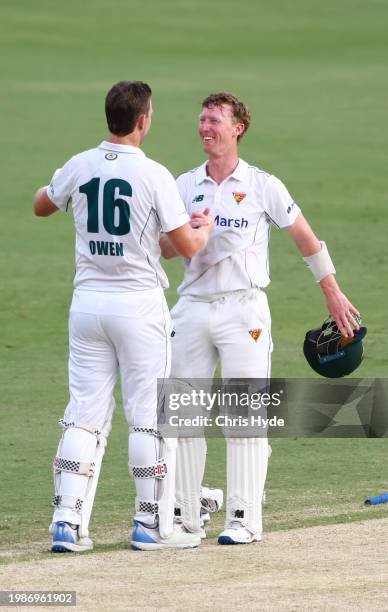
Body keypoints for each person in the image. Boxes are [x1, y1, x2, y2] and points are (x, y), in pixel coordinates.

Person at [160, 92, 360, 544]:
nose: (205, 127)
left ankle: (244, 519)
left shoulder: (263, 184)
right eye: (202, 119)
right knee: (183, 417)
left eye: (215, 120)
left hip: (243, 310)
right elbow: (162, 248)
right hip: (191, 309)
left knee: (243, 416)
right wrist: (188, 233)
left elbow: (305, 237)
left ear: (238, 129)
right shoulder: (182, 184)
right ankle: (187, 518)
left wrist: (332, 292)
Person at [33, 80, 214, 552]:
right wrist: (203, 227)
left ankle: (66, 524)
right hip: (138, 306)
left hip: (88, 305)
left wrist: (57, 188)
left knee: (84, 418)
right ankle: (149, 525)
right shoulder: (153, 174)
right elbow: (189, 248)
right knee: (147, 419)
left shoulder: (79, 164)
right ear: (142, 120)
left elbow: (41, 206)